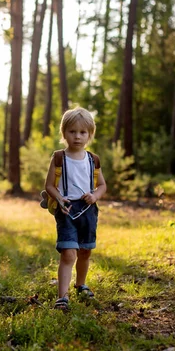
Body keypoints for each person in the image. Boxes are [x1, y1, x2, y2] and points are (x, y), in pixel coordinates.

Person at [44, 107, 107, 310]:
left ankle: (81, 284)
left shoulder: (93, 160)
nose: (77, 136)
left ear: (90, 134)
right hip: (67, 209)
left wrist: (95, 195)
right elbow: (49, 186)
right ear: (64, 133)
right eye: (72, 131)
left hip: (88, 210)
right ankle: (62, 297)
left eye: (82, 132)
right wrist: (59, 199)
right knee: (68, 253)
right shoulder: (59, 158)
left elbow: (102, 186)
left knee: (85, 252)